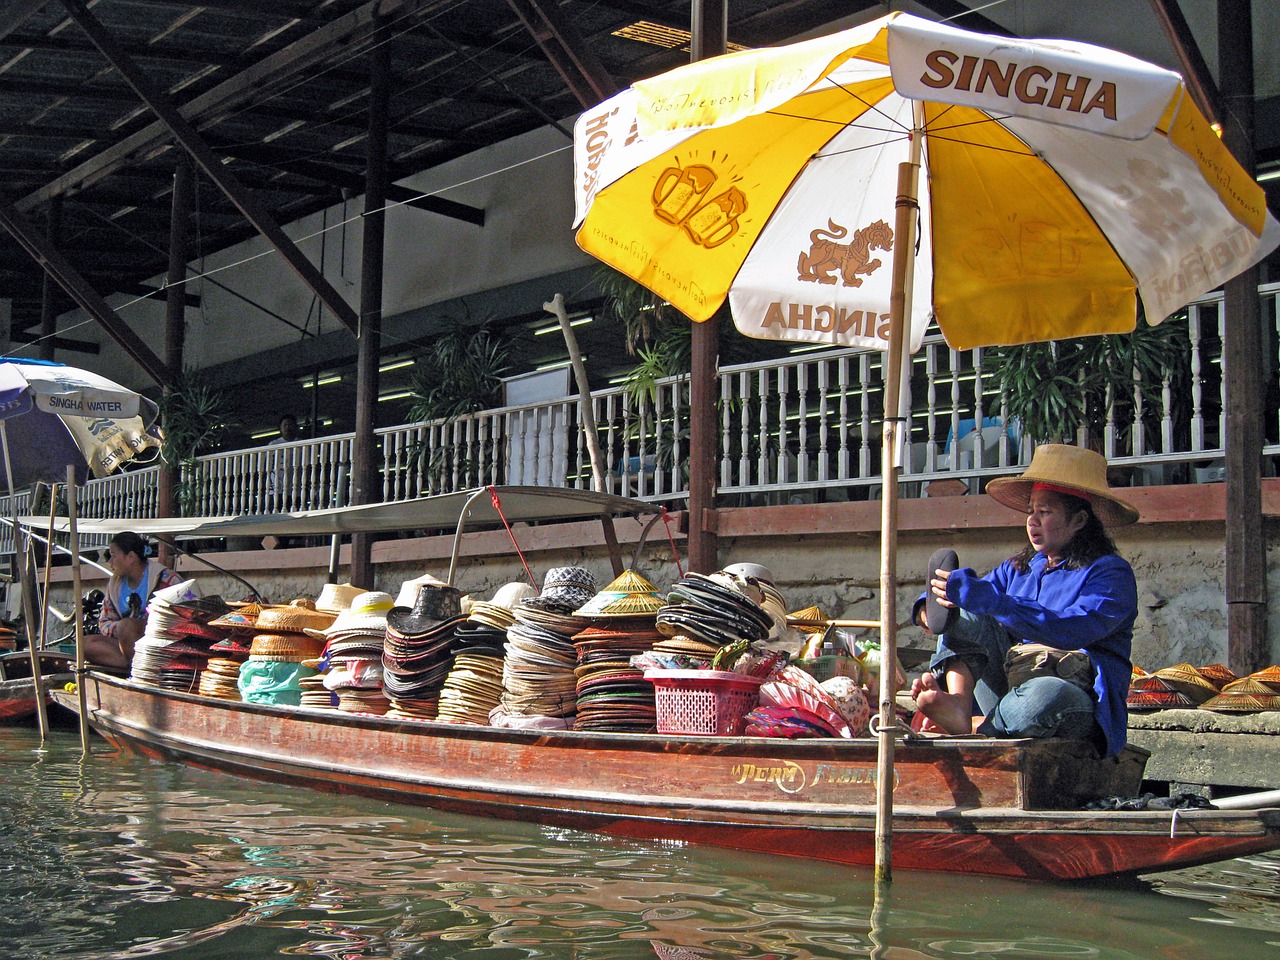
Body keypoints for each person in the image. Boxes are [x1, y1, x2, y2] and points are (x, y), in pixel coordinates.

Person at [909, 444, 1138, 758]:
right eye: (1030, 511)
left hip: (1074, 700)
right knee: (967, 614)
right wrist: (929, 606)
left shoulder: (1111, 574)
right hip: (1008, 689)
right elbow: (972, 600)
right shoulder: (1018, 568)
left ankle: (981, 729)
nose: (1032, 521)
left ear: (1079, 520)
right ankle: (959, 707)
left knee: (1043, 694)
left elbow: (1074, 629)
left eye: (1044, 512)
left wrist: (1000, 604)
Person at [83, 532, 180, 670]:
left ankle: (144, 667)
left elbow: (184, 615)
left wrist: (135, 627)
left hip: (159, 645)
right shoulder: (115, 585)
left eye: (113, 555)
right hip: (125, 644)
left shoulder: (166, 579)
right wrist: (122, 631)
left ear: (131, 557)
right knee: (84, 644)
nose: (110, 562)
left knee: (128, 626)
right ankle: (133, 665)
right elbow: (104, 621)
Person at [267, 414, 300, 510]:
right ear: (280, 427)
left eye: (290, 425)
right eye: (285, 425)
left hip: (295, 486)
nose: (287, 427)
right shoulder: (274, 444)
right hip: (277, 487)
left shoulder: (301, 443)